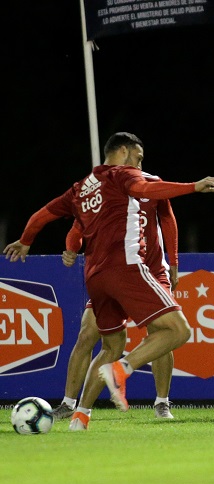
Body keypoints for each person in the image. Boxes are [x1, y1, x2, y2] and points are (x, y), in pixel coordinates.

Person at [4, 132, 214, 430]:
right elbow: (141, 186)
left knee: (112, 345)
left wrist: (26, 240)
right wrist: (193, 186)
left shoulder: (81, 187)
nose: (138, 163)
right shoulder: (124, 176)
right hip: (127, 268)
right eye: (136, 156)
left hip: (96, 276)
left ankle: (81, 417)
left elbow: (44, 214)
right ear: (123, 151)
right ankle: (120, 371)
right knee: (178, 330)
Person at [51, 171, 180, 422]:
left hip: (151, 271)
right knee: (87, 334)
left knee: (162, 331)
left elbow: (168, 220)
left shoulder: (151, 185)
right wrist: (71, 248)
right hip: (116, 271)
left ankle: (162, 403)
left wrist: (173, 262)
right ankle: (69, 404)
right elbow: (77, 228)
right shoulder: (106, 190)